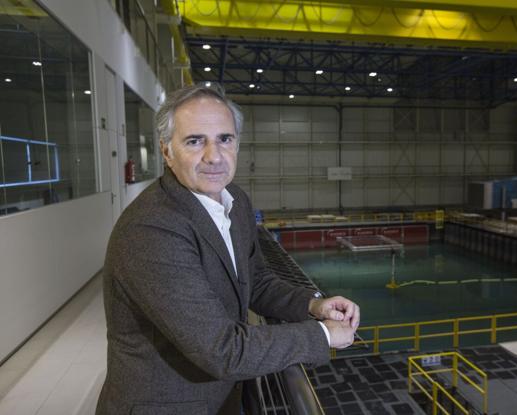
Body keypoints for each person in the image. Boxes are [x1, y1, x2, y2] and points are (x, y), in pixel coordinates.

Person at [96, 83, 360, 415]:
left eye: (225, 139)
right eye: (195, 141)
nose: (214, 156)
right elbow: (221, 350)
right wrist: (322, 335)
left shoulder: (233, 200)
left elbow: (256, 281)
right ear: (166, 151)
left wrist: (313, 305)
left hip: (223, 399)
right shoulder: (151, 228)